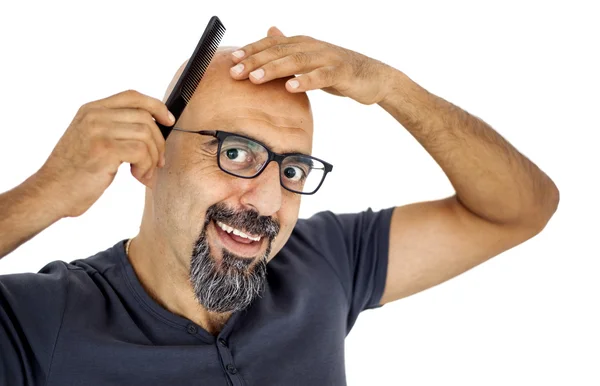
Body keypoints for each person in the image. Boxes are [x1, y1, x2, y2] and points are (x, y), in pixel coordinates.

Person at [0, 26, 559, 385]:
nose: (267, 201)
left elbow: (521, 209)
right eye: (236, 152)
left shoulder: (323, 263)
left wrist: (393, 88)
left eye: (291, 169)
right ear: (150, 156)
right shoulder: (44, 322)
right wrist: (42, 195)